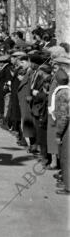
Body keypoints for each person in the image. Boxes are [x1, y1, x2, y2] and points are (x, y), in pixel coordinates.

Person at [51, 56, 69, 194]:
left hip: (67, 130)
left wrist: (58, 133)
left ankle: (68, 186)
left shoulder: (62, 93)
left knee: (66, 156)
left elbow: (63, 116)